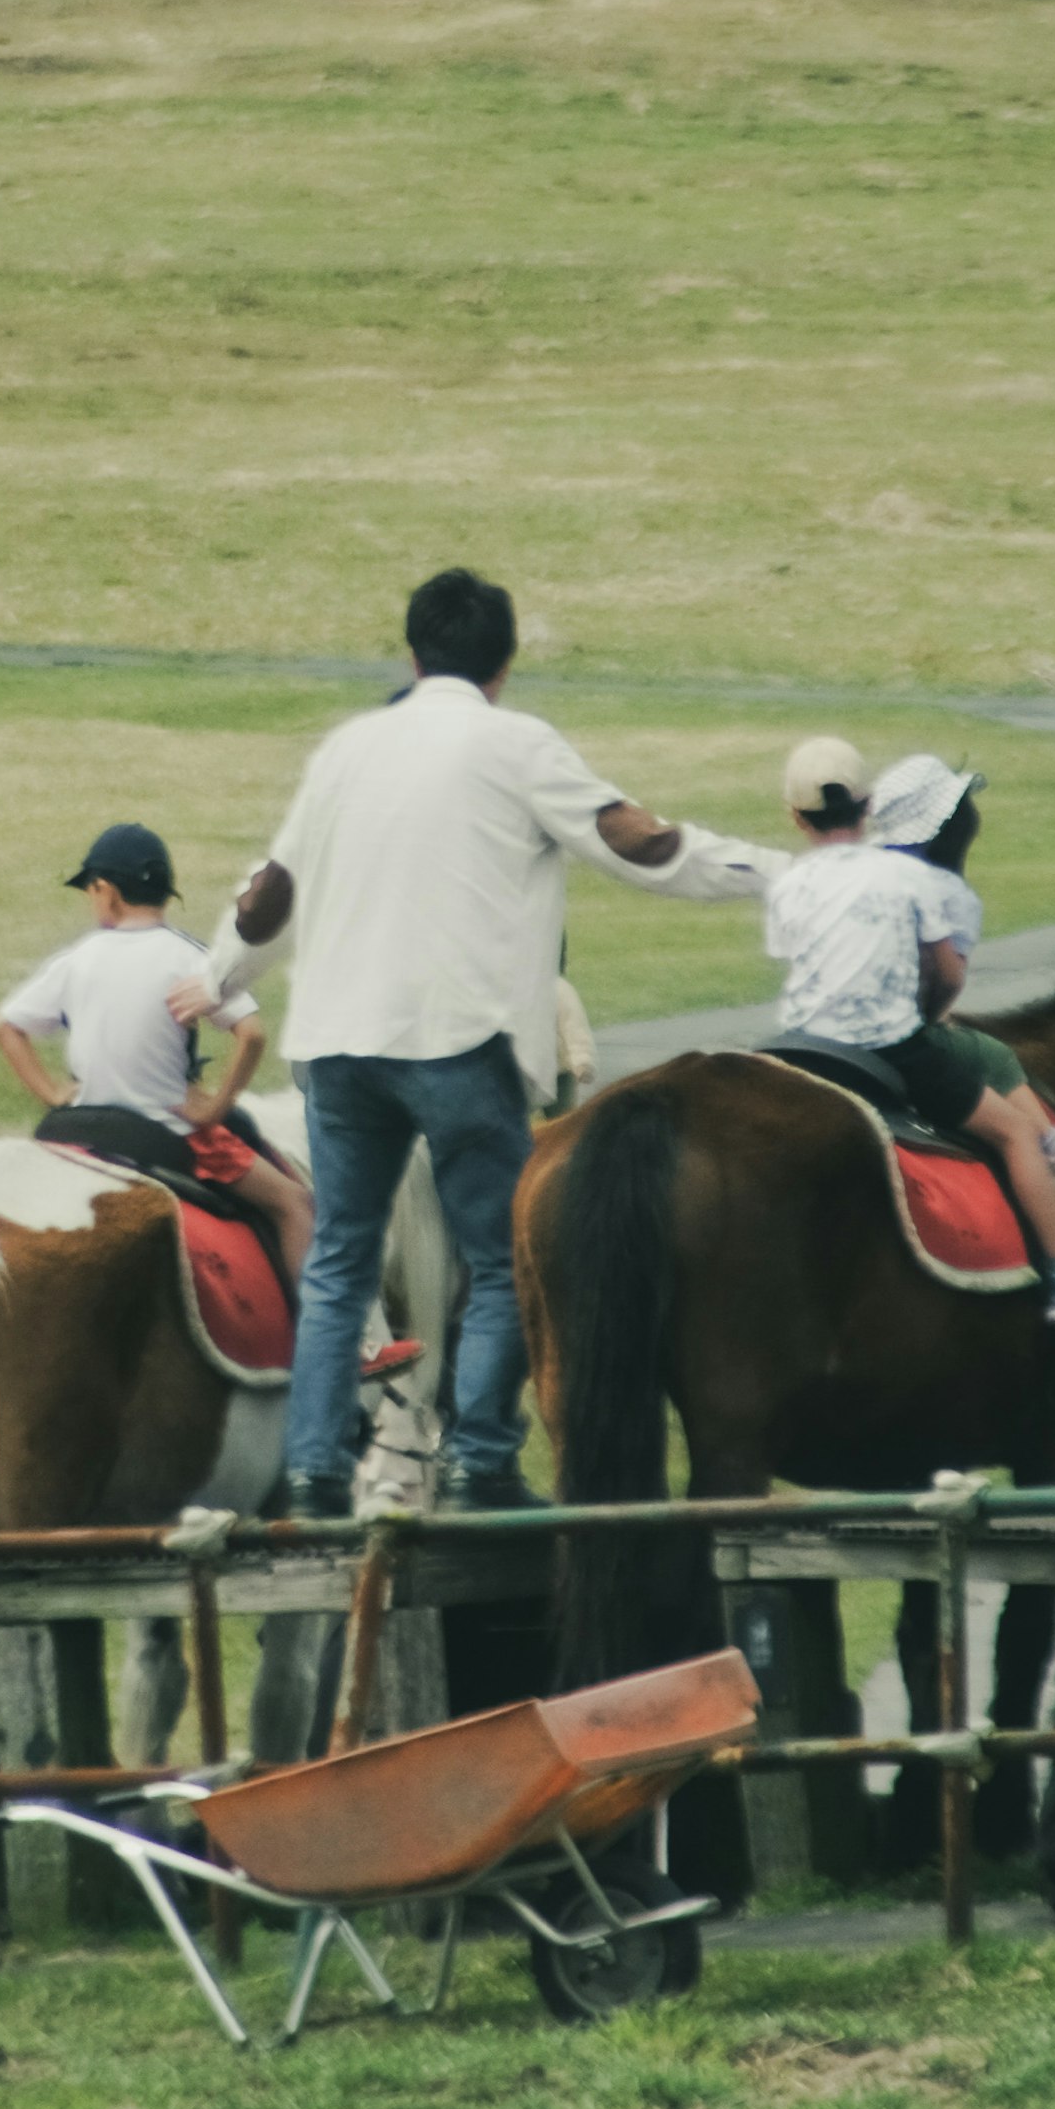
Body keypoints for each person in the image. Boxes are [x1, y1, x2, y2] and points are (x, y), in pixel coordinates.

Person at [171, 568, 784, 1519]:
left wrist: (217, 979)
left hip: (336, 1040)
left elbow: (271, 892)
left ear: (412, 655)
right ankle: (483, 1461)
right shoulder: (516, 743)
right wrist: (777, 874)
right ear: (503, 666)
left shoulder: (347, 748)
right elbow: (643, 846)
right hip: (455, 1037)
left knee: (338, 1258)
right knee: (499, 1257)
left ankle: (314, 1469)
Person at [772, 736, 1055, 1323]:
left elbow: (797, 956)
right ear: (868, 804)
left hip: (797, 1044)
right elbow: (947, 977)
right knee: (1015, 1135)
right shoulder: (912, 878)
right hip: (886, 1047)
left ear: (796, 818)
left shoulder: (787, 882)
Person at [0, 822, 314, 1276]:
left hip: (84, 1123)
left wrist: (51, 1093)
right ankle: (334, 1343)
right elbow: (252, 1034)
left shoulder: (75, 960)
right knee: (294, 1203)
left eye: (90, 890)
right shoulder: (189, 958)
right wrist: (217, 1106)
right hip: (172, 1131)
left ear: (107, 891)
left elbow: (6, 1027)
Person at [867, 750, 1055, 1185]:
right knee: (993, 1054)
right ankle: (1050, 1146)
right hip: (893, 1030)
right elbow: (947, 982)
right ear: (954, 827)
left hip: (826, 1020)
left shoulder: (861, 872)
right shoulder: (950, 894)